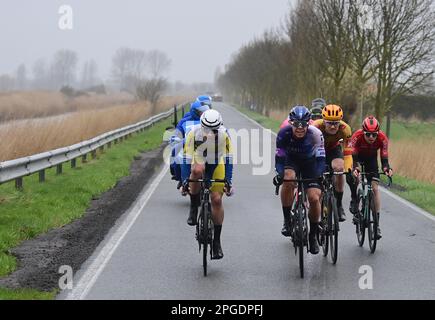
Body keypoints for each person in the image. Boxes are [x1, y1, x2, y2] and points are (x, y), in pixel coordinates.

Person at [181, 110, 234, 259]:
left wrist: (228, 181)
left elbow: (229, 159)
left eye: (214, 130)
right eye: (206, 129)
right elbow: (186, 159)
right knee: (197, 170)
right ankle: (193, 205)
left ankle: (216, 242)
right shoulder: (193, 133)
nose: (209, 133)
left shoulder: (225, 135)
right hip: (199, 159)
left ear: (220, 127)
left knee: (216, 200)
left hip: (217, 163)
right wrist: (186, 180)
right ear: (201, 125)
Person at [274, 106, 326, 255]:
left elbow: (321, 158)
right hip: (292, 160)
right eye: (297, 124)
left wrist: (319, 174)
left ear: (308, 123)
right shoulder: (283, 134)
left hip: (310, 163)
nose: (300, 128)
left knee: (314, 198)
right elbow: (279, 159)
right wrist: (279, 173)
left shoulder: (316, 134)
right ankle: (287, 220)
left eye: (304, 124)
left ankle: (313, 236)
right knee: (288, 179)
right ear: (291, 123)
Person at [349, 116, 393, 239]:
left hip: (372, 160)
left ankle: (376, 224)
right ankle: (355, 200)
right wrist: (355, 168)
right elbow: (352, 154)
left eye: (374, 135)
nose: (371, 138)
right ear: (363, 132)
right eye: (368, 134)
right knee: (355, 178)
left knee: (374, 188)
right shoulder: (357, 136)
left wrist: (386, 168)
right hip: (357, 157)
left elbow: (384, 156)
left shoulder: (382, 138)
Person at [312, 104, 353, 222]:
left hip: (333, 149)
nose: (333, 126)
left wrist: (348, 169)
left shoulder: (345, 129)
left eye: (336, 122)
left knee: (339, 169)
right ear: (323, 121)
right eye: (330, 122)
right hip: (317, 150)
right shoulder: (315, 127)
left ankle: (339, 205)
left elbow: (348, 154)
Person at [169, 101, 210, 185]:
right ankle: (178, 175)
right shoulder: (184, 121)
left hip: (206, 145)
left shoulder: (209, 120)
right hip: (188, 144)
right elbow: (177, 133)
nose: (202, 114)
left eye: (204, 111)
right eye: (200, 112)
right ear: (194, 111)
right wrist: (175, 139)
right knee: (175, 152)